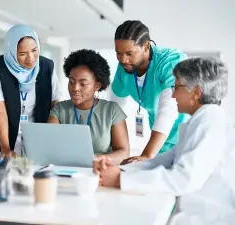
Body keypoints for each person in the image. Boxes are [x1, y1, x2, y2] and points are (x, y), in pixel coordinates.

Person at [94, 57, 235, 223]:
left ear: (196, 92)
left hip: (208, 218)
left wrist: (119, 179)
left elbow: (184, 178)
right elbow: (165, 161)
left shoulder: (210, 121)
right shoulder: (199, 120)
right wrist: (118, 170)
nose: (173, 94)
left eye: (177, 87)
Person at [111, 20, 189, 164]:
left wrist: (147, 154)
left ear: (146, 46)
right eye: (118, 53)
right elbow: (115, 107)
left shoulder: (169, 61)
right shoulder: (124, 68)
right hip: (162, 144)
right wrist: (115, 148)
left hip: (187, 139)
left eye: (129, 53)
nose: (123, 60)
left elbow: (169, 108)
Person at [0, 24, 60, 157]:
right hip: (5, 136)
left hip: (38, 135)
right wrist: (5, 148)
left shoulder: (47, 66)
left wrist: (51, 138)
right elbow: (0, 110)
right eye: (22, 54)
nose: (31, 58)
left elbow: (55, 104)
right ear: (12, 51)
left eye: (34, 50)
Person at [48, 49, 129, 164]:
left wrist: (96, 159)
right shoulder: (59, 110)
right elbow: (49, 147)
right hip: (66, 171)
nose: (75, 88)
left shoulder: (112, 110)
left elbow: (123, 153)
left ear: (97, 86)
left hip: (101, 171)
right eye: (71, 81)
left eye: (83, 84)